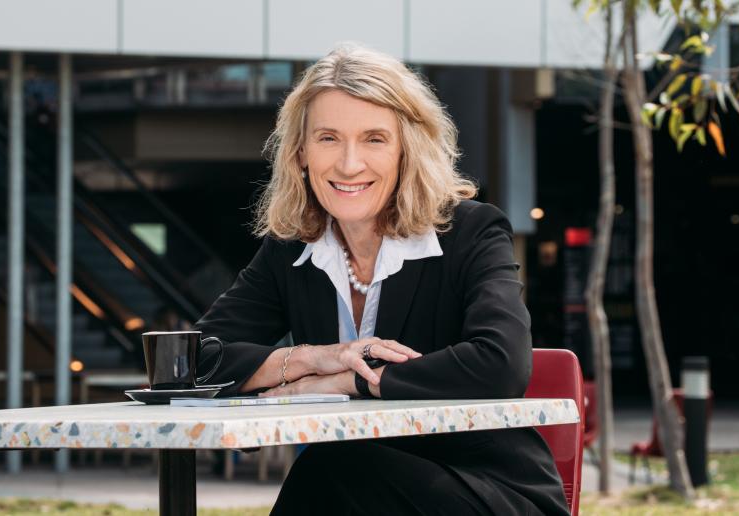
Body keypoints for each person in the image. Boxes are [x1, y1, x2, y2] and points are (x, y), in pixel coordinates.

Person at [194, 43, 570, 515]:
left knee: (331, 469)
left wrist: (349, 380)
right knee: (339, 470)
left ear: (405, 151)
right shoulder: (291, 250)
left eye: (374, 139)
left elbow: (500, 364)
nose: (350, 164)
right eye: (329, 138)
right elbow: (193, 361)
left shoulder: (471, 232)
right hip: (360, 490)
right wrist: (315, 358)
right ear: (301, 153)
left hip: (486, 491)